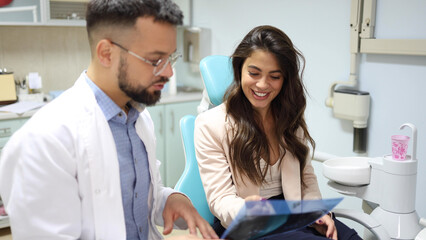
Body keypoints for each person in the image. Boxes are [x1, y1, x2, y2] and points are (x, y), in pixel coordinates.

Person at [0, 0, 218, 239]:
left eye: (170, 58)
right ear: (106, 53)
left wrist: (170, 199)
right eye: (156, 60)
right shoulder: (43, 142)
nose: (168, 72)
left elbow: (137, 201)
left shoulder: (138, 118)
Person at [194, 25, 362, 240]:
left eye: (274, 76)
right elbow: (221, 199)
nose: (262, 84)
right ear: (239, 70)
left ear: (285, 79)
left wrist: (318, 214)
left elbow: (306, 179)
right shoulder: (210, 124)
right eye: (254, 73)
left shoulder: (289, 118)